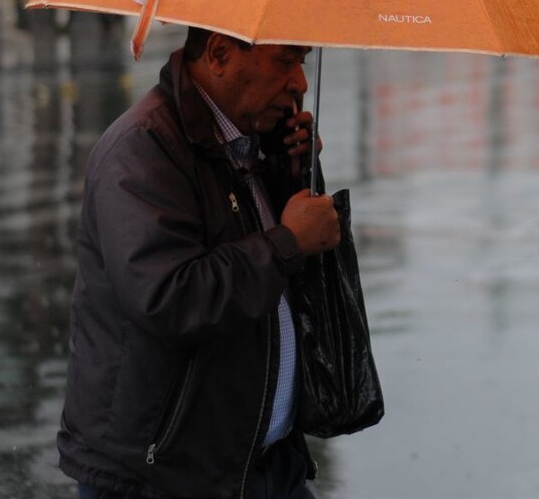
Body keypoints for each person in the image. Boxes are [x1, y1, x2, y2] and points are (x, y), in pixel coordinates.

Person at [58, 27, 341, 498]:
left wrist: (288, 175)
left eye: (303, 62)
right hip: (166, 477)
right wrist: (288, 241)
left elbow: (277, 282)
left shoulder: (249, 140)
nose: (300, 83)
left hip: (263, 466)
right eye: (284, 62)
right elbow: (172, 297)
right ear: (219, 54)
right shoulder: (141, 150)